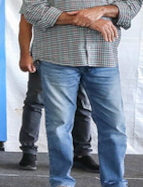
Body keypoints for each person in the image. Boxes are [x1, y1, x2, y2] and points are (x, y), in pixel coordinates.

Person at [21, 0, 142, 187]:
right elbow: (34, 11)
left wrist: (104, 10)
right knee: (59, 123)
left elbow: (134, 1)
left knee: (113, 125)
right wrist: (88, 20)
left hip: (103, 58)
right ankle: (62, 184)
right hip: (57, 57)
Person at [17, 15, 97, 172]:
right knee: (35, 102)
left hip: (81, 54)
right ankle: (29, 152)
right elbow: (26, 21)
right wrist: (25, 54)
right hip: (45, 52)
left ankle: (81, 153)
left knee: (82, 104)